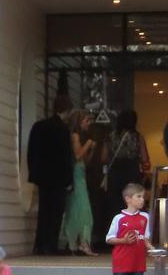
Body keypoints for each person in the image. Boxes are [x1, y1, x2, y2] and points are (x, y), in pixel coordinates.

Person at [28, 94, 74, 255]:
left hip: (43, 177)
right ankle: (51, 244)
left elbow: (31, 152)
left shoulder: (39, 126)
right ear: (67, 110)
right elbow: (67, 157)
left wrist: (33, 173)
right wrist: (69, 179)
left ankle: (40, 244)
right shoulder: (63, 129)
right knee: (56, 212)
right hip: (59, 178)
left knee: (44, 210)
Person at [60, 110, 98, 256]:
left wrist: (91, 150)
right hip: (76, 178)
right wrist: (88, 143)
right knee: (83, 210)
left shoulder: (80, 137)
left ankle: (75, 243)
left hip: (81, 176)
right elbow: (77, 155)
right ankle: (82, 243)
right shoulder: (75, 135)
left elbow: (85, 161)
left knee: (77, 210)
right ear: (79, 121)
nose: (89, 124)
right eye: (86, 120)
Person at [104, 110, 151, 226]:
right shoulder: (138, 137)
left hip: (114, 176)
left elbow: (103, 157)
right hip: (132, 175)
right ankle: (132, 233)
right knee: (132, 205)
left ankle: (116, 235)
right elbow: (145, 159)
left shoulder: (110, 137)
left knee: (115, 207)